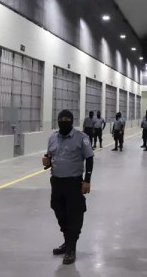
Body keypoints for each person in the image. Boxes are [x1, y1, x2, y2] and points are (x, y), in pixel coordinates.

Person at [43, 110, 94, 265]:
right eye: (60, 119)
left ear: (72, 121)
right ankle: (67, 241)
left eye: (66, 119)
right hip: (57, 182)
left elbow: (89, 158)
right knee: (59, 211)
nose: (63, 121)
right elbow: (51, 157)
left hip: (73, 182)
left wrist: (87, 180)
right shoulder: (52, 137)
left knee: (74, 214)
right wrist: (47, 162)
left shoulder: (81, 138)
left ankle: (71, 247)